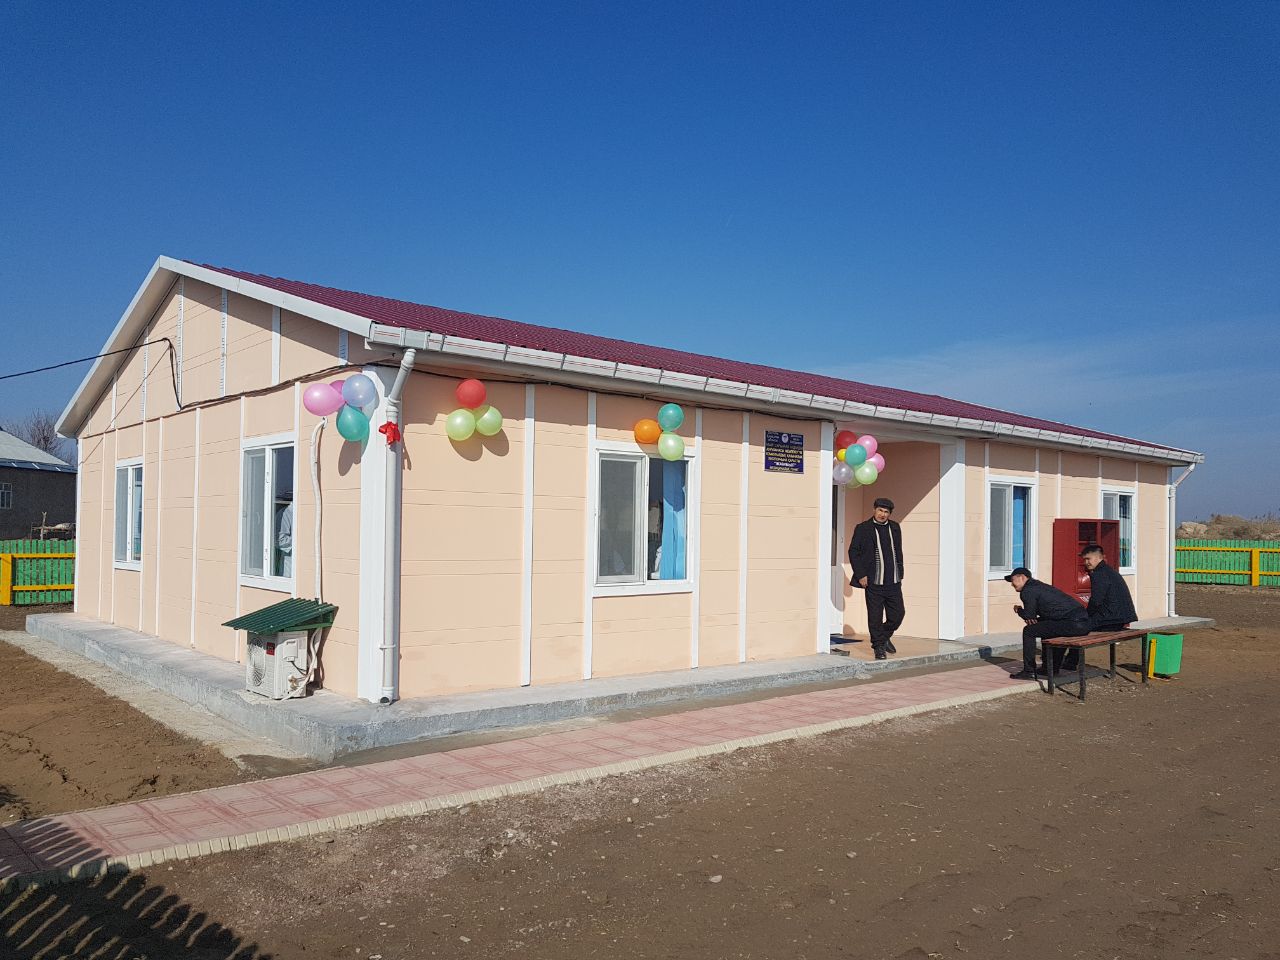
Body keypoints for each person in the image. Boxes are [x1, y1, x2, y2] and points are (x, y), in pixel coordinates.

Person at [1005, 567, 1091, 680]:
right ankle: (1050, 668)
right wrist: (1032, 617)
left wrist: (1019, 610)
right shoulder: (1041, 586)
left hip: (1072, 623)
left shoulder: (1027, 590)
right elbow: (1037, 617)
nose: (1012, 584)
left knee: (1028, 631)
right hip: (1084, 623)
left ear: (1022, 577)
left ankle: (1029, 670)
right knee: (1044, 626)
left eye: (1013, 580)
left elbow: (1029, 616)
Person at [849, 497, 904, 660]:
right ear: (874, 510)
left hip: (893, 581)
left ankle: (884, 636)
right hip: (873, 581)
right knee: (875, 616)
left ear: (889, 514)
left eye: (886, 512)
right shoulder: (863, 528)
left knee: (898, 614)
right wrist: (861, 574)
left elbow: (898, 551)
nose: (882, 514)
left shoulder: (895, 527)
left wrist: (900, 572)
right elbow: (853, 552)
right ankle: (878, 646)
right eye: (880, 510)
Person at [1072, 543, 1138, 669]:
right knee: (1081, 625)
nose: (1086, 563)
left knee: (1076, 627)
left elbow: (1096, 600)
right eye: (1084, 559)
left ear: (1099, 558)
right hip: (1119, 617)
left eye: (1088, 559)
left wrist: (1086, 616)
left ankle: (1070, 662)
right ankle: (1071, 661)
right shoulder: (1109, 571)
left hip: (1111, 618)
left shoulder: (1099, 574)